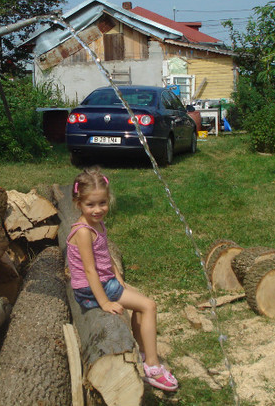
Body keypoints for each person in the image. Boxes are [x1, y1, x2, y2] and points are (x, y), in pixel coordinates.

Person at [66, 168, 179, 392]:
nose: (98, 210)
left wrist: (118, 276)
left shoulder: (97, 224)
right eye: (91, 205)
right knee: (149, 306)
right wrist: (105, 302)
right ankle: (153, 368)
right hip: (91, 288)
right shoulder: (83, 231)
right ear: (78, 203)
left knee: (141, 303)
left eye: (102, 203)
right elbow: (90, 270)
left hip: (103, 282)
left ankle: (143, 352)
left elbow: (104, 255)